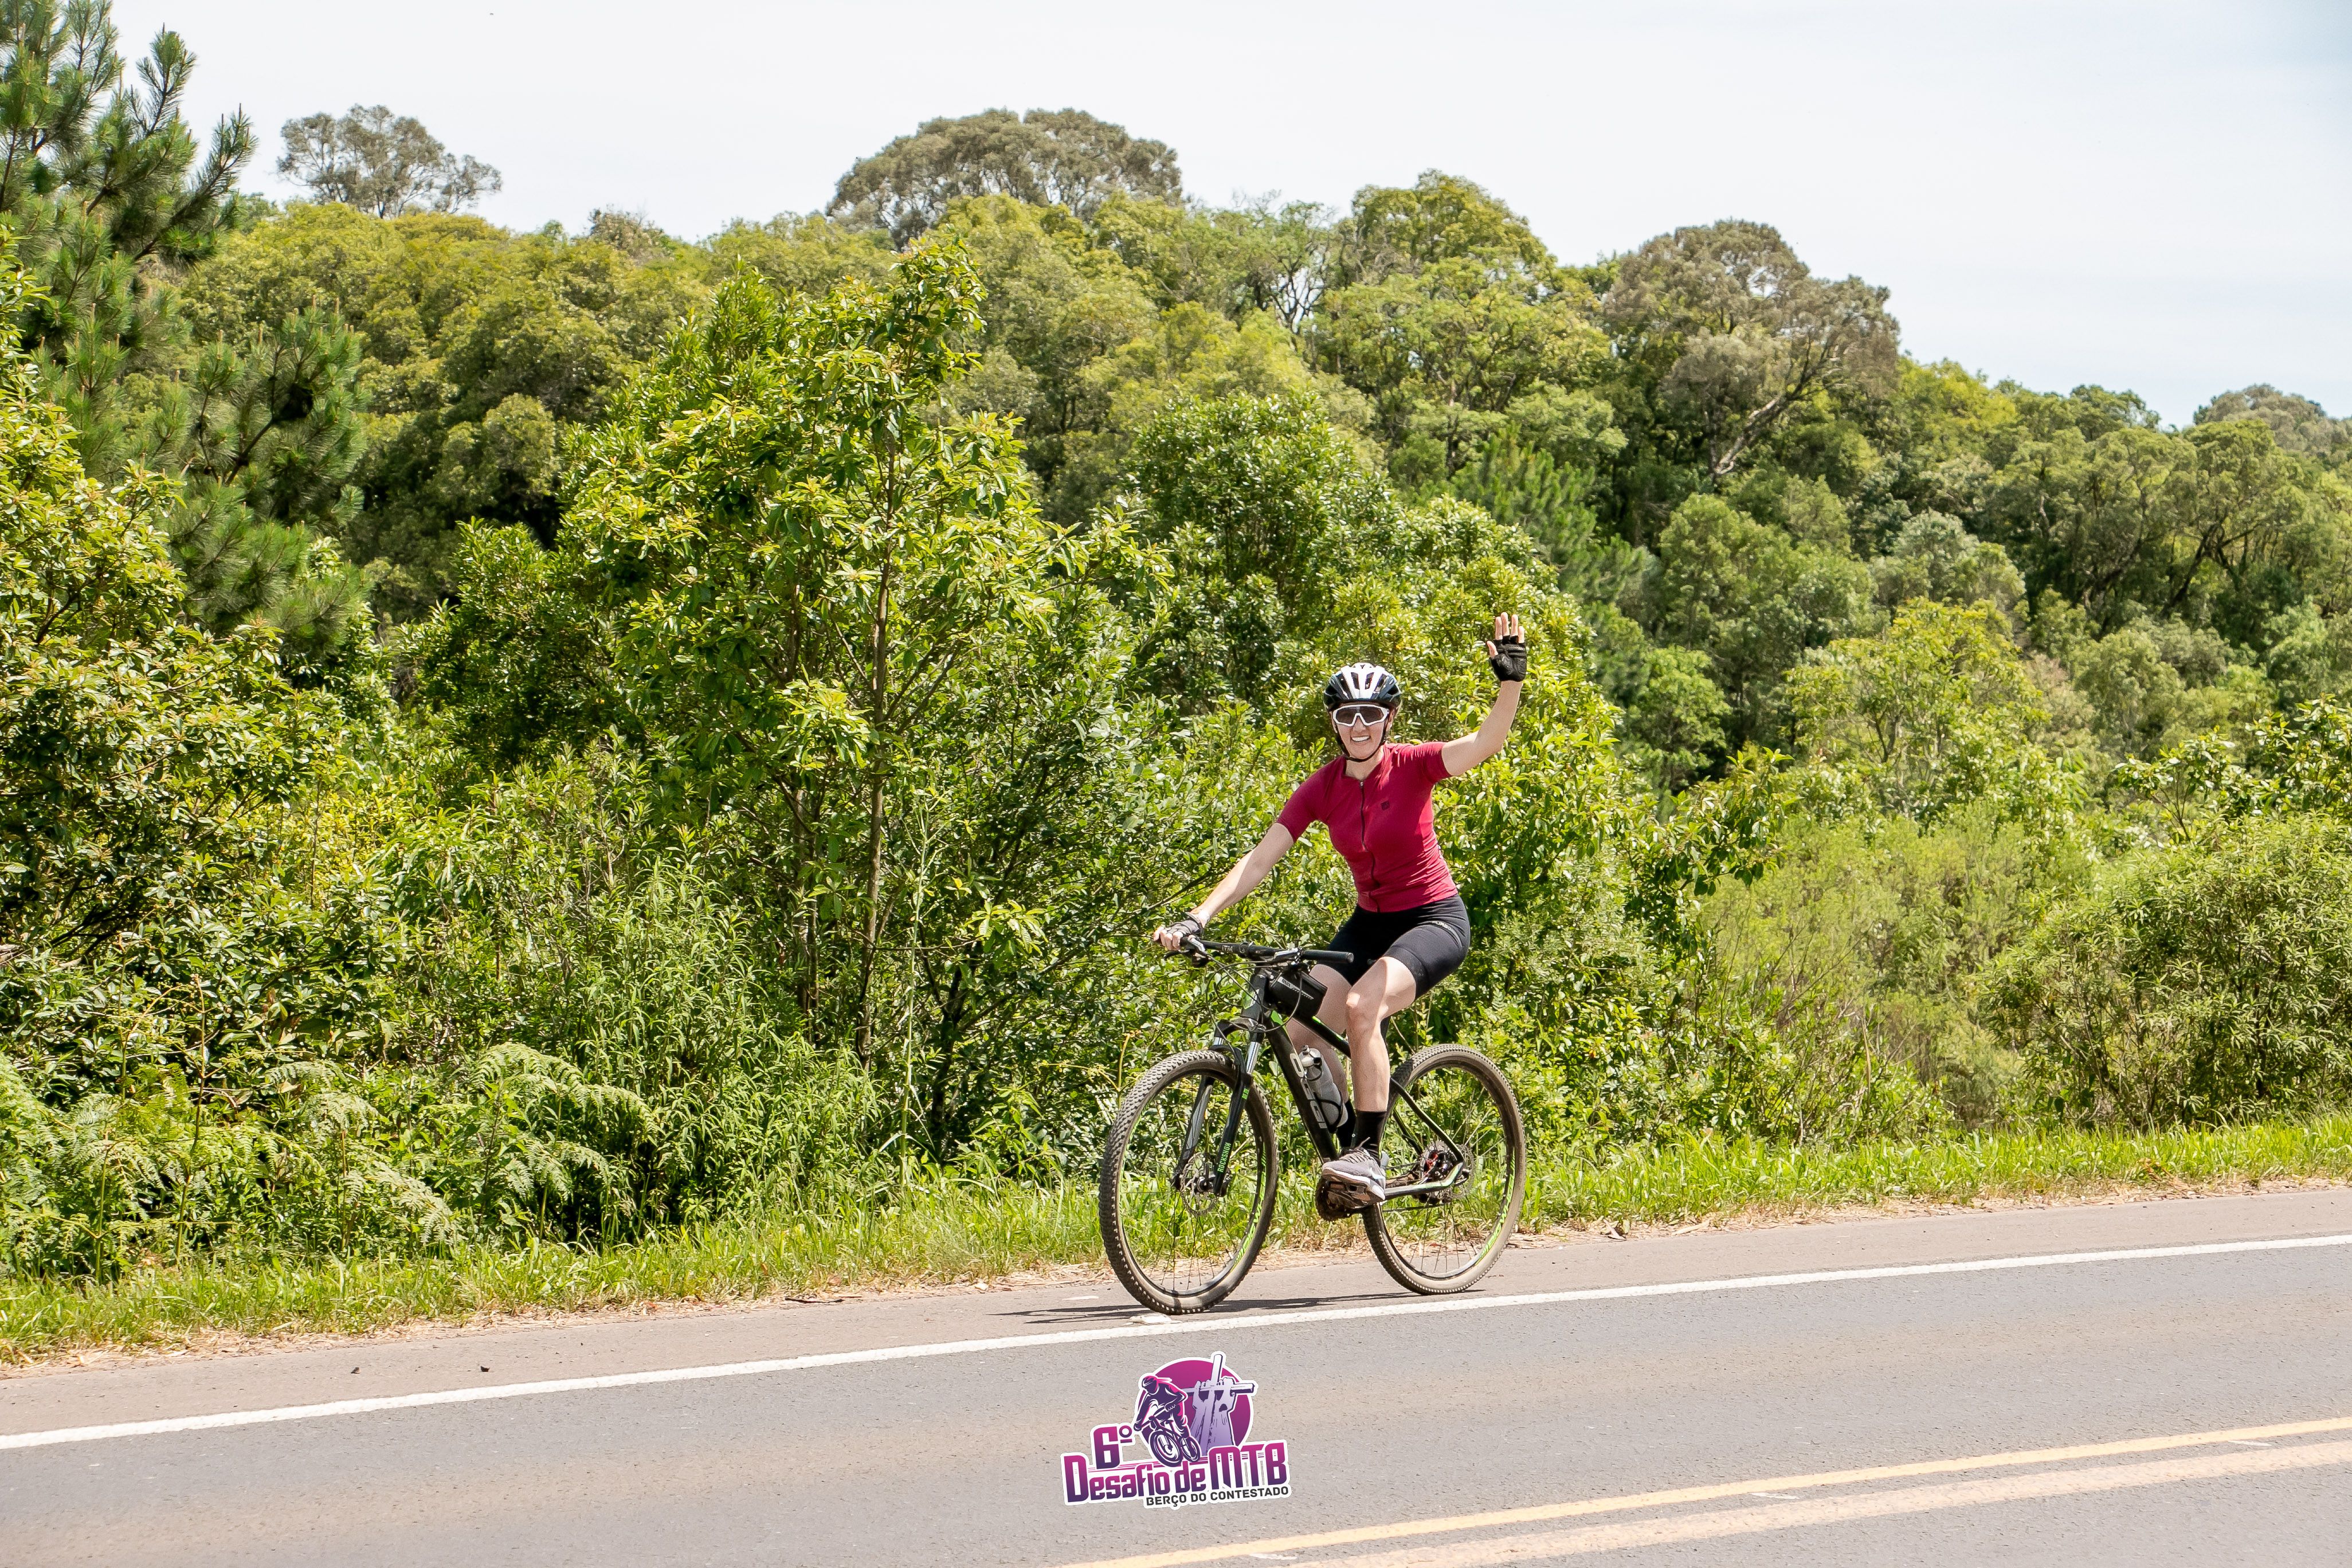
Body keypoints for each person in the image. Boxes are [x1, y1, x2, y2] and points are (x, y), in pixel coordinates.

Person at [1153, 613, 1528, 1206]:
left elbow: (1487, 743)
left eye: (1371, 714)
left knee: (1361, 1006)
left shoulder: (1414, 765)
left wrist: (1510, 682)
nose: (1359, 726)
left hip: (1432, 919)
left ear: (1389, 718)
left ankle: (1370, 1157)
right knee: (1300, 1027)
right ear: (1334, 721)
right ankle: (1350, 1141)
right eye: (1348, 715)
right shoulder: (1323, 787)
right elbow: (1259, 859)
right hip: (1369, 924)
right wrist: (1197, 918)